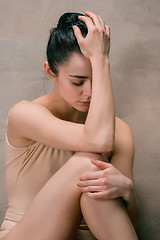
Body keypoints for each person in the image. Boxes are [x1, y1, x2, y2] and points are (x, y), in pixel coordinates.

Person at [0, 11, 139, 240]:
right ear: (49, 72)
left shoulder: (120, 131)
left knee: (98, 184)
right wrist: (100, 58)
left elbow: (129, 223)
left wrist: (126, 189)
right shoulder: (24, 115)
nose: (90, 93)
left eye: (98, 78)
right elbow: (98, 140)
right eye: (78, 81)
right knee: (88, 164)